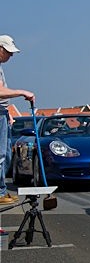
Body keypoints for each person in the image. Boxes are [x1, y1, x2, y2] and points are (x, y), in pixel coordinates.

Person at [0, 35, 35, 204]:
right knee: (1, 155)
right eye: (8, 52)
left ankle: (1, 190)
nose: (10, 56)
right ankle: (0, 192)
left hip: (2, 112)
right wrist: (22, 92)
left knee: (6, 154)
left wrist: (7, 111)